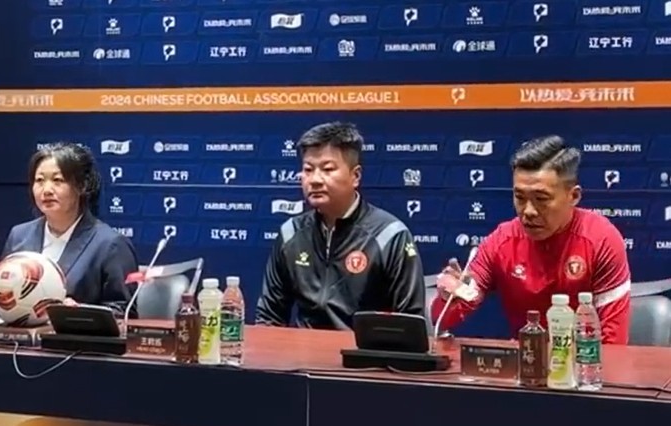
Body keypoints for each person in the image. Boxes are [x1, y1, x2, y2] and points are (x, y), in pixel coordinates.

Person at [431, 135, 631, 344]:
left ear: (573, 196)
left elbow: (613, 343)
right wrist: (449, 297)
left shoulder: (601, 240)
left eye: (541, 199)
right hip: (526, 359)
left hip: (582, 361)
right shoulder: (501, 241)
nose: (528, 211)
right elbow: (443, 322)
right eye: (520, 197)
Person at [255, 121, 427, 330]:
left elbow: (411, 325)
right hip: (304, 350)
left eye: (327, 169)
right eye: (308, 169)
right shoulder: (291, 233)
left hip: (364, 350)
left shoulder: (390, 236)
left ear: (355, 176)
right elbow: (269, 317)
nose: (315, 180)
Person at [0, 142, 140, 316]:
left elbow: (125, 312)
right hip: (20, 342)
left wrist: (79, 313)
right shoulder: (20, 235)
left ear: (82, 186)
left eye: (58, 180)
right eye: (39, 181)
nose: (46, 190)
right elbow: (9, 303)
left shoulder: (110, 244)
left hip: (75, 343)